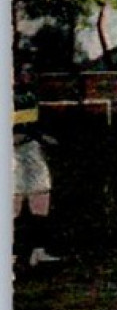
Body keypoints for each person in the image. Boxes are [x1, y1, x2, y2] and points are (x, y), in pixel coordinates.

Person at [13, 64, 61, 270]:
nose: (28, 76)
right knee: (13, 202)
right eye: (23, 72)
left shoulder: (30, 95)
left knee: (41, 195)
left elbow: (29, 125)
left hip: (30, 150)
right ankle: (12, 254)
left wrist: (39, 136)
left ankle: (38, 251)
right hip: (11, 153)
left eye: (30, 72)